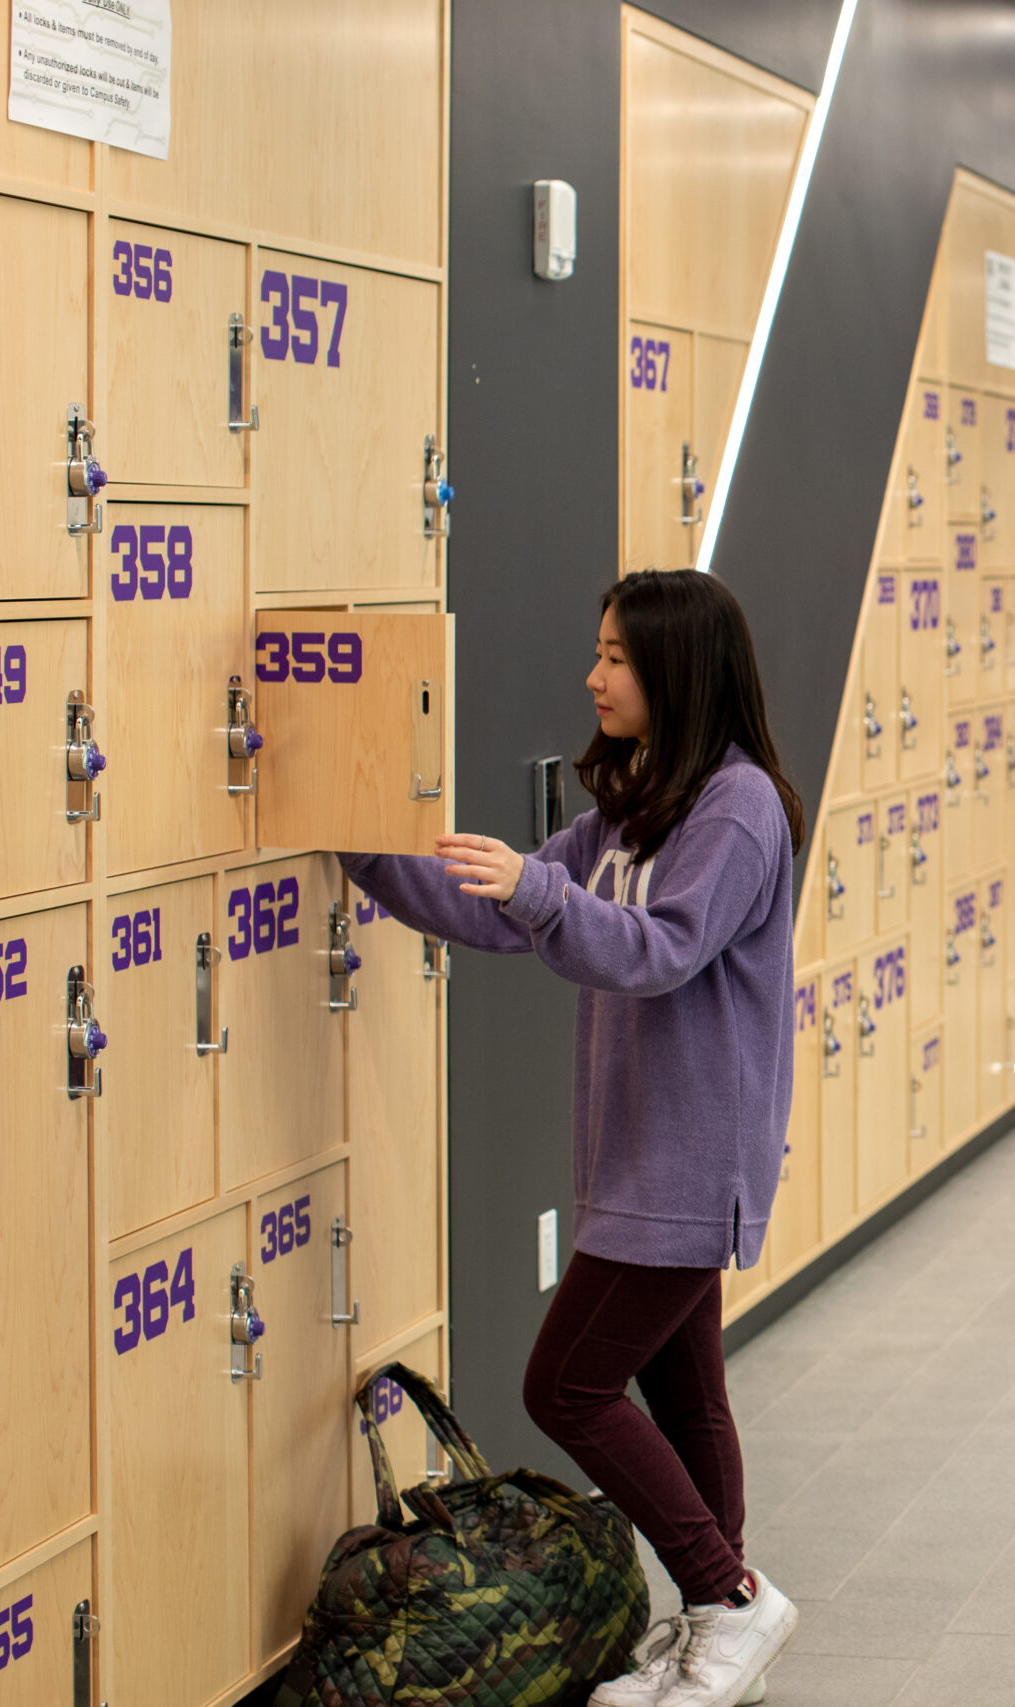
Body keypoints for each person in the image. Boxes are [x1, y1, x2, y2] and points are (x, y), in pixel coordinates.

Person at [341, 570, 807, 1707]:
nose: (592, 677)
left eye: (615, 658)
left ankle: (727, 1599)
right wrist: (351, 830)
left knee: (566, 1387)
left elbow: (660, 948)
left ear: (677, 674)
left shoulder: (737, 809)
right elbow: (490, 909)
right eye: (596, 652)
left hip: (693, 1162)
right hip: (638, 1160)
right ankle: (717, 1620)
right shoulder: (636, 809)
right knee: (685, 1394)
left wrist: (538, 894)